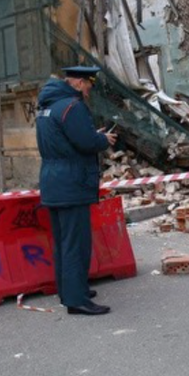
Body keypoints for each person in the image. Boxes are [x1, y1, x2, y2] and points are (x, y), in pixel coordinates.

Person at [36, 65, 117, 316]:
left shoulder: (46, 107)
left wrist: (90, 135)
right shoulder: (73, 106)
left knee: (63, 242)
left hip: (53, 181)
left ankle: (69, 289)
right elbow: (85, 142)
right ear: (79, 83)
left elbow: (65, 139)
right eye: (89, 84)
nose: (90, 89)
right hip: (72, 182)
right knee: (76, 243)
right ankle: (76, 300)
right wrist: (103, 140)